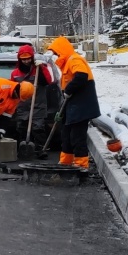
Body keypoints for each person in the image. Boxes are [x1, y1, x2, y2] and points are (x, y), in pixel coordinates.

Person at [49, 36, 101, 170]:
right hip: (72, 107)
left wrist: (69, 89)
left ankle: (81, 165)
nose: (56, 56)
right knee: (66, 134)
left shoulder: (74, 59)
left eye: (56, 53)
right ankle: (66, 162)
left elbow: (81, 76)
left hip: (82, 106)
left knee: (77, 137)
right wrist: (62, 111)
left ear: (62, 50)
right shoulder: (66, 63)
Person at [9, 44, 55, 152]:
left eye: (28, 59)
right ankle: (23, 149)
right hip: (22, 105)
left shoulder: (38, 69)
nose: (26, 61)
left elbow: (48, 82)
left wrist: (42, 68)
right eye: (23, 59)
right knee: (21, 127)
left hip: (38, 104)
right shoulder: (15, 73)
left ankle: (41, 150)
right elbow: (12, 89)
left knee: (38, 128)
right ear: (20, 59)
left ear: (32, 57)